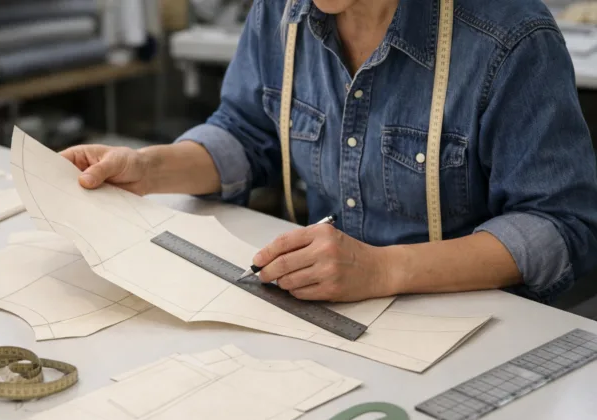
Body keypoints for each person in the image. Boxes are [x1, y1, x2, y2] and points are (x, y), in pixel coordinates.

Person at [62, 0, 597, 304]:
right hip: (334, 308)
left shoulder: (510, 37)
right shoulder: (283, 12)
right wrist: (148, 167)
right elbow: (249, 131)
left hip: (471, 325)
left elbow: (561, 225)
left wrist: (383, 271)